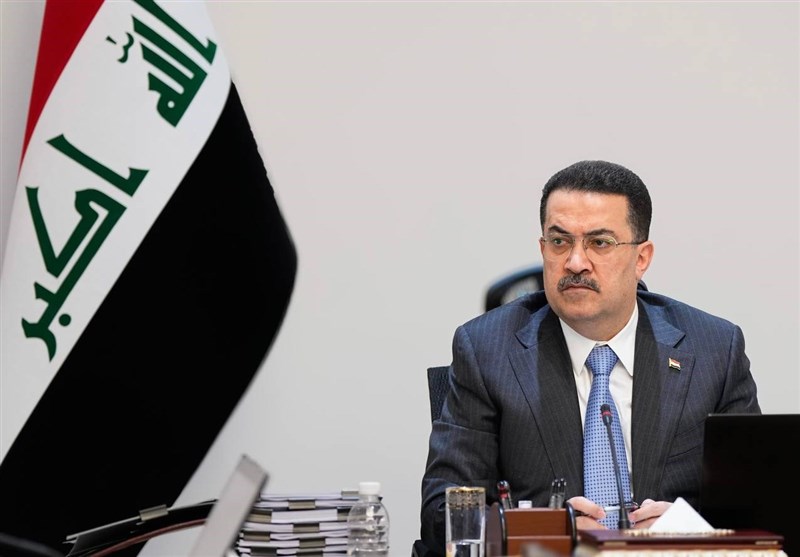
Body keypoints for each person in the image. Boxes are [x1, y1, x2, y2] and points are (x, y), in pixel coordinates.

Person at [419, 160, 760, 554]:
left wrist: (688, 529)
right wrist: (550, 531)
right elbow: (443, 512)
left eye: (600, 243)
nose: (576, 262)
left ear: (642, 258)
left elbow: (757, 504)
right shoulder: (486, 351)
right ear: (543, 249)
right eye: (559, 242)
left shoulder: (714, 350)